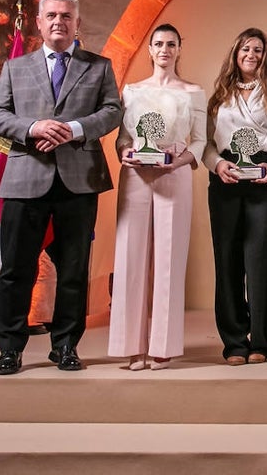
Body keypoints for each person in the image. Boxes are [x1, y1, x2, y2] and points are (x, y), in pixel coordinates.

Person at [0, 0, 121, 375]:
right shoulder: (16, 68)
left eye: (66, 16)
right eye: (51, 16)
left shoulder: (100, 67)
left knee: (75, 270)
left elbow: (112, 111)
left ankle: (65, 346)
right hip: (25, 177)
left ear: (78, 24)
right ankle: (9, 349)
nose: (58, 21)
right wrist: (33, 128)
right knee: (15, 269)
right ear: (39, 23)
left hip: (78, 181)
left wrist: (72, 130)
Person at [108, 24, 206, 371]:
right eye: (159, 44)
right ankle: (132, 346)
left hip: (174, 174)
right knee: (130, 256)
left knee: (169, 258)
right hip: (135, 174)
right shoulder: (131, 91)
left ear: (180, 49)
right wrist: (124, 152)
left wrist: (178, 161)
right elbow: (123, 137)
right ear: (150, 49)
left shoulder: (194, 92)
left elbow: (199, 141)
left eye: (171, 44)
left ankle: (162, 346)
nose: (165, 49)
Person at [203, 28, 267, 365]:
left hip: (263, 180)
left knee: (261, 263)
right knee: (227, 262)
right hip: (226, 179)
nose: (251, 55)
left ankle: (261, 339)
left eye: (258, 50)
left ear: (266, 56)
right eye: (246, 49)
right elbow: (207, 143)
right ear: (235, 54)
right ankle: (234, 341)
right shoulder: (219, 95)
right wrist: (217, 164)